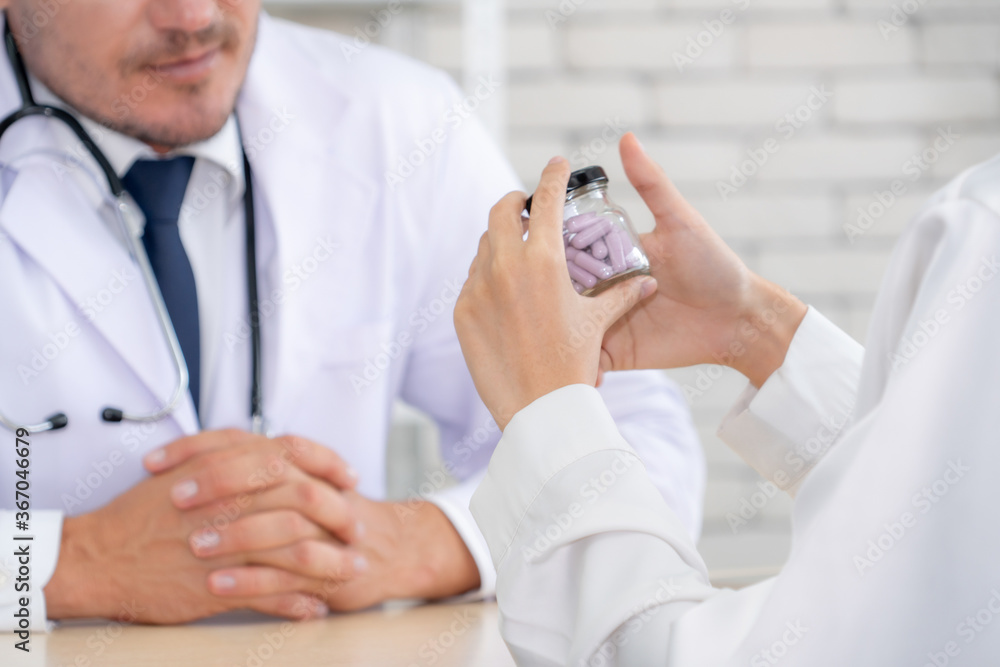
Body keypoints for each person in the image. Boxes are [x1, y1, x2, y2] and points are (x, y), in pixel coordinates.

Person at [0, 3, 705, 630]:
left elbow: (635, 439)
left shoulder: (396, 123)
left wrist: (432, 541)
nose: (191, 16)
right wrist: (65, 563)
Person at [456, 136, 1000, 665]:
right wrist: (749, 326)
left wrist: (550, 411)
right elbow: (936, 500)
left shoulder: (981, 223)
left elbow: (673, 654)